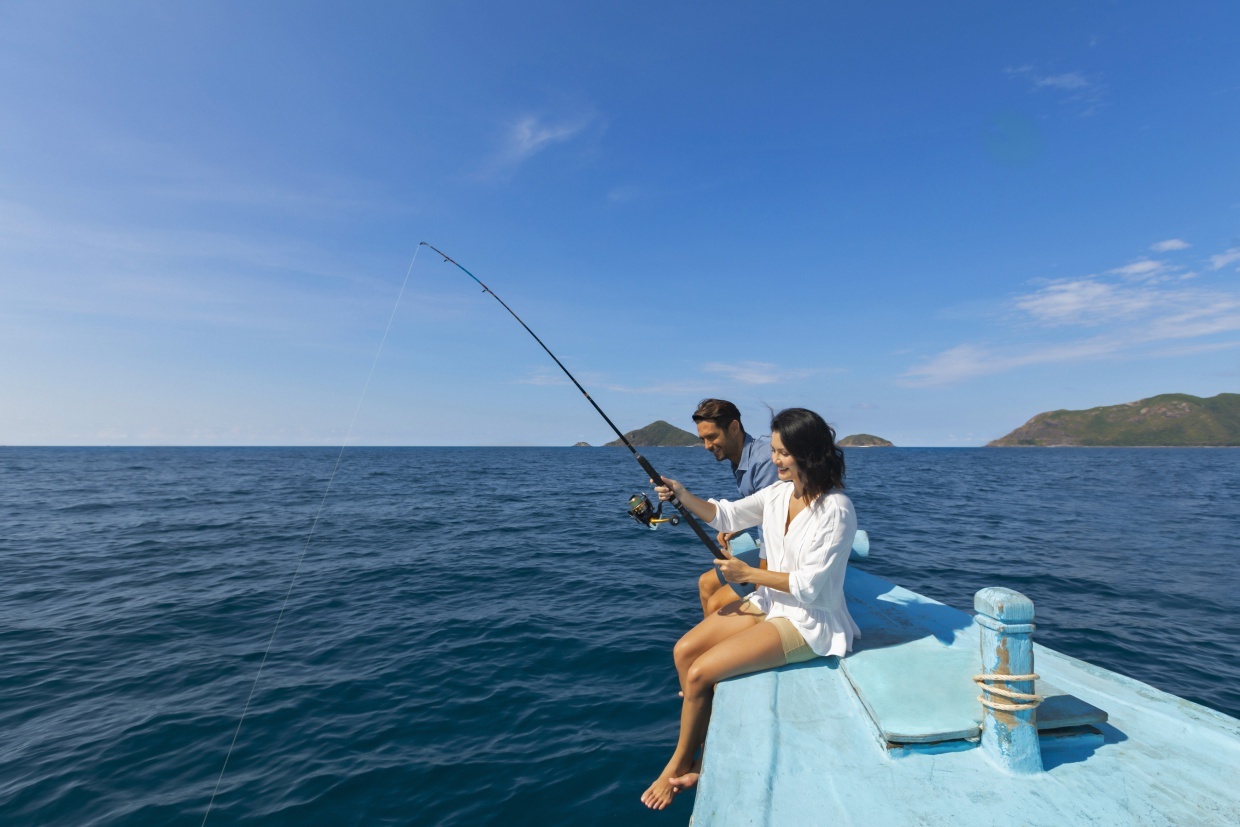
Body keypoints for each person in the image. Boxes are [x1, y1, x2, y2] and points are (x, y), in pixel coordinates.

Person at [640, 408, 859, 811]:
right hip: (770, 602)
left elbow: (810, 588)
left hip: (808, 621)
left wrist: (748, 573)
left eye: (782, 453)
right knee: (684, 652)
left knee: (702, 671)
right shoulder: (778, 493)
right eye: (773, 451)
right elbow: (726, 513)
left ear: (807, 453)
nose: (774, 460)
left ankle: (684, 761)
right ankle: (698, 729)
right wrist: (682, 493)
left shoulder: (837, 510)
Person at [691, 399, 780, 617]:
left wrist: (761, 585)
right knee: (706, 583)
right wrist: (741, 525)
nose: (707, 446)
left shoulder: (764, 461)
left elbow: (774, 526)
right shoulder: (739, 458)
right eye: (703, 439)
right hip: (771, 546)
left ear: (733, 427)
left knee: (717, 605)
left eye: (712, 437)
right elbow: (759, 506)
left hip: (782, 555)